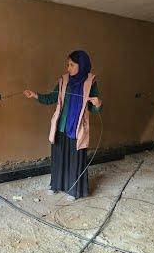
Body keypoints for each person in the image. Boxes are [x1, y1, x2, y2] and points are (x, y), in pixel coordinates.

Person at [23, 50, 103, 200]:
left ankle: (74, 191)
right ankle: (56, 185)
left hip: (77, 128)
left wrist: (98, 103)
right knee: (59, 157)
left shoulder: (90, 82)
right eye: (68, 65)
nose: (68, 68)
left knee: (75, 159)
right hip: (61, 127)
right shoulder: (64, 80)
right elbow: (53, 97)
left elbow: (93, 108)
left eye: (72, 65)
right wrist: (35, 95)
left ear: (82, 65)